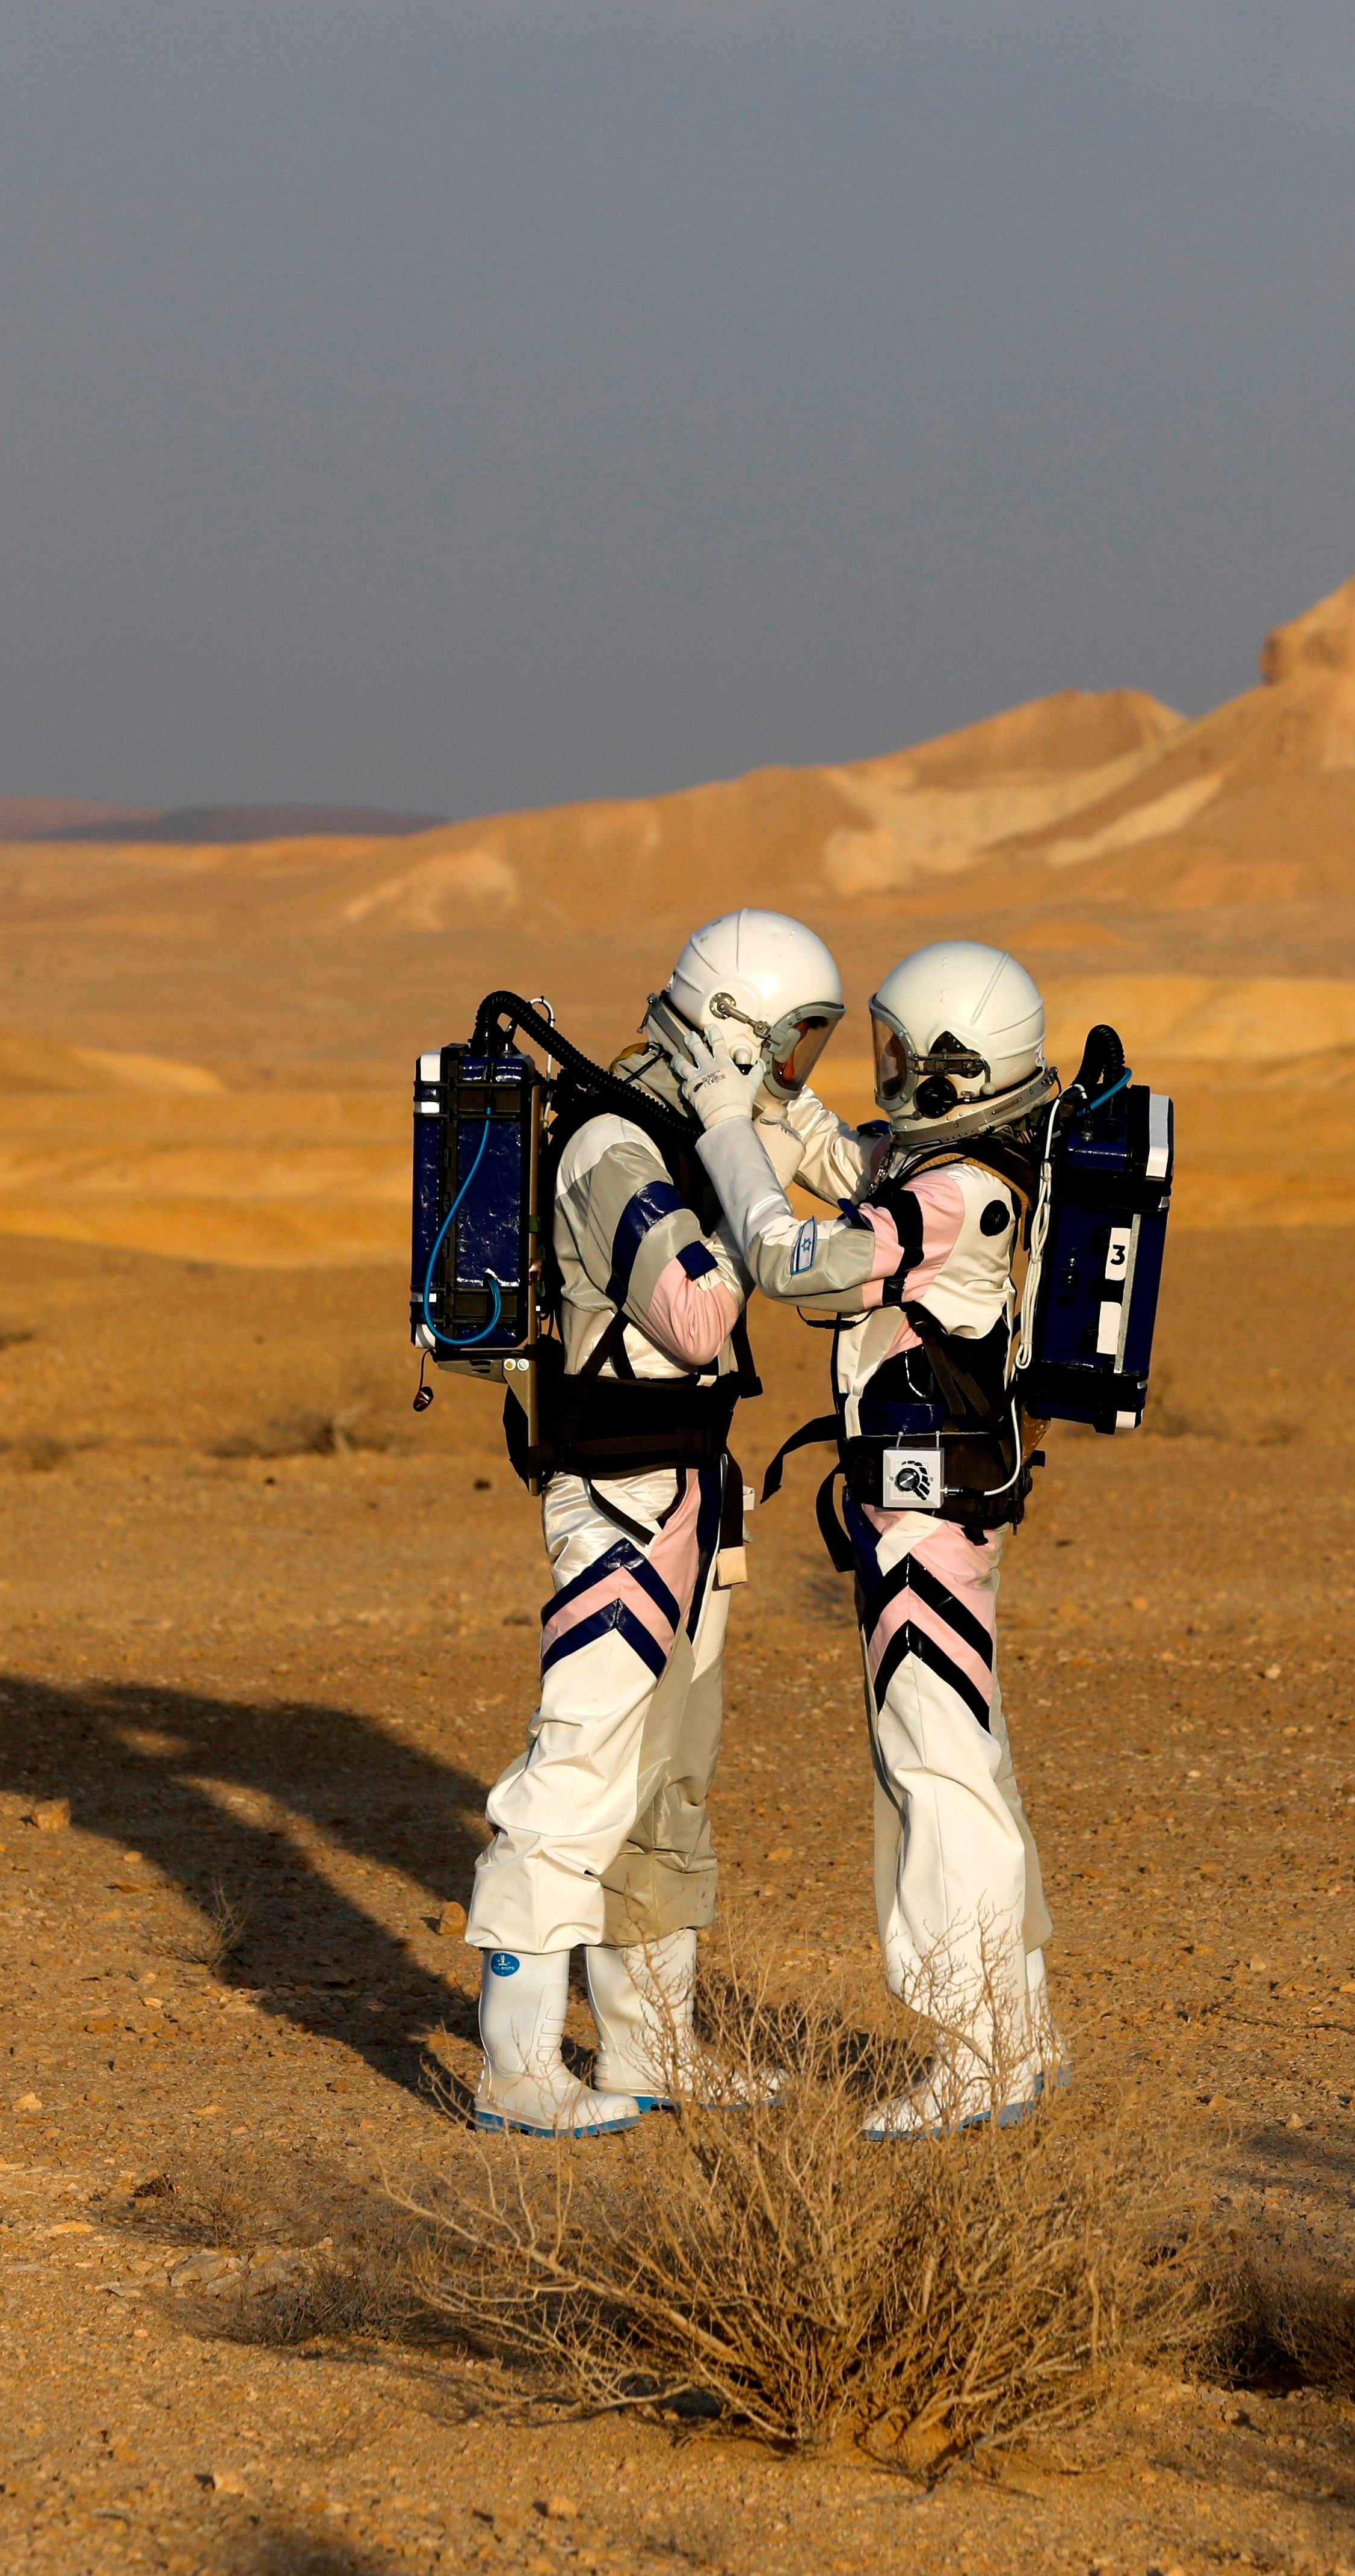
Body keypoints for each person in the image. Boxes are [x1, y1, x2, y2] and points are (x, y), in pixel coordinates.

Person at [665, 938, 1064, 2137]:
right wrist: (779, 1100)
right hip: (931, 1498)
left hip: (929, 1510)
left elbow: (802, 1259)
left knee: (935, 1766)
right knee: (961, 1754)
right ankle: (1018, 2032)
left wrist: (729, 1125)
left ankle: (979, 2047)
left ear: (952, 1067)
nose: (886, 1067)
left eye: (901, 1051)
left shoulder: (956, 1195)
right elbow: (854, 1162)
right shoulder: (959, 1166)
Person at [463, 909, 847, 2136]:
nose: (796, 1073)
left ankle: (652, 2045)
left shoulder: (690, 1136)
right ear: (732, 1029)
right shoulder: (612, 1146)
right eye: (788, 1048)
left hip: (692, 1487)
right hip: (619, 1499)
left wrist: (770, 1139)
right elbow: (691, 1312)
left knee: (668, 1780)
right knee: (578, 1769)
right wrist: (745, 1166)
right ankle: (515, 2066)